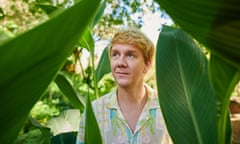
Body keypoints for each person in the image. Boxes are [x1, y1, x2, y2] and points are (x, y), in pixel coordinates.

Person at [76, 27, 172, 144]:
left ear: (147, 64)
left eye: (130, 55)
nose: (120, 63)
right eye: (115, 54)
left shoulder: (168, 109)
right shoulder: (95, 112)